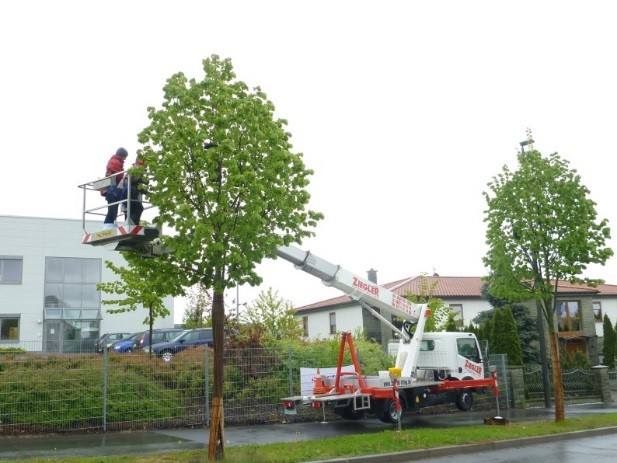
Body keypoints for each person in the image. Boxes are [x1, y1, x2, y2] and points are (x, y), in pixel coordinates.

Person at [101, 147, 128, 228]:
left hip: (114, 189)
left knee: (113, 208)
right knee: (112, 209)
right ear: (122, 155)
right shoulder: (115, 162)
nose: (125, 159)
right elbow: (112, 173)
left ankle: (109, 225)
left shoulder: (116, 161)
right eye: (125, 157)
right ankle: (107, 226)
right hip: (112, 190)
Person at [123, 154, 146, 226]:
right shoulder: (135, 168)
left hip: (130, 193)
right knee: (139, 208)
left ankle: (132, 224)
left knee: (134, 210)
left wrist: (148, 193)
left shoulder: (138, 169)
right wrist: (142, 180)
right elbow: (130, 181)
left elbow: (138, 187)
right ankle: (131, 224)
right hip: (129, 192)